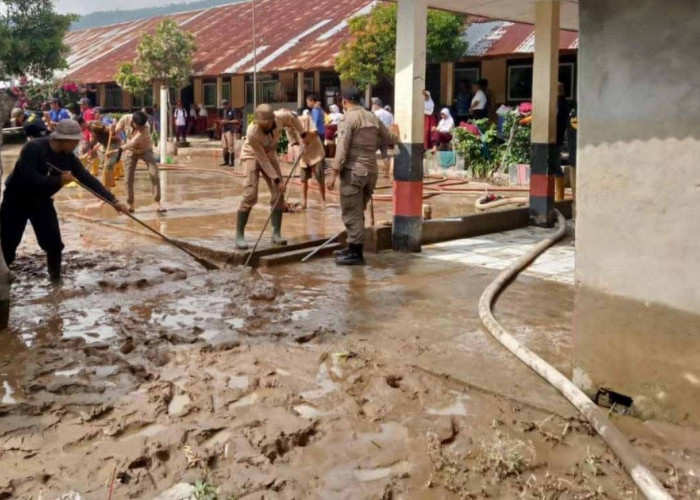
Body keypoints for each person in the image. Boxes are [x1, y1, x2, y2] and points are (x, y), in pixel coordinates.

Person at [1, 120, 129, 282]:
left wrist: (113, 201)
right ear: (64, 139)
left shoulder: (68, 157)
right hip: (17, 199)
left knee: (54, 244)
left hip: (41, 200)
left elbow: (87, 178)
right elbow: (28, 178)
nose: (76, 145)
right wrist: (59, 181)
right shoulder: (33, 148)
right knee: (8, 243)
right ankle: (3, 278)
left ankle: (56, 281)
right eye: (75, 142)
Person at [325, 87, 399, 266]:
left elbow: (341, 149)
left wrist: (333, 173)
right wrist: (395, 132)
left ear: (344, 101)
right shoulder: (372, 117)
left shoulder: (347, 119)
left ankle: (356, 253)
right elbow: (390, 137)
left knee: (352, 212)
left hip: (354, 171)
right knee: (358, 210)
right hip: (371, 171)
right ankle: (352, 246)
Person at [235, 104, 312, 250]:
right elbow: (262, 160)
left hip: (270, 156)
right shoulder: (252, 132)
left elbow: (293, 118)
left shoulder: (280, 117)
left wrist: (303, 134)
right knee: (250, 194)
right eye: (261, 124)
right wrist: (277, 179)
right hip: (252, 155)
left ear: (272, 120)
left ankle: (276, 232)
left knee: (278, 194)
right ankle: (239, 235)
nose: (264, 126)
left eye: (266, 123)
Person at [113, 111, 166, 213]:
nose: (140, 128)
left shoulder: (146, 128)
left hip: (146, 150)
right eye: (138, 126)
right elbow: (120, 124)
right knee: (128, 178)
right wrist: (116, 129)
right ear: (133, 122)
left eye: (141, 127)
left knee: (154, 174)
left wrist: (119, 149)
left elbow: (132, 142)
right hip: (131, 152)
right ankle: (130, 204)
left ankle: (157, 202)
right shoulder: (126, 118)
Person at [296, 110, 326, 210]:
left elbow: (315, 132)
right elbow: (293, 142)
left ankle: (323, 201)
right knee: (303, 179)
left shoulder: (306, 119)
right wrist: (298, 151)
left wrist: (306, 136)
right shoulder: (289, 128)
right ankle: (304, 202)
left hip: (315, 152)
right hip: (304, 155)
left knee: (319, 178)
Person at [219, 100, 241, 167]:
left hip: (230, 130)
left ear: (229, 104)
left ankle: (232, 162)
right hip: (224, 130)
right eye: (223, 105)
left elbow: (236, 120)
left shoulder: (233, 111)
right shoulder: (224, 111)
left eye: (225, 105)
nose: (224, 106)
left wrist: (227, 122)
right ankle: (226, 161)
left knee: (231, 146)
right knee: (224, 147)